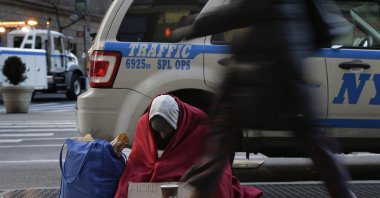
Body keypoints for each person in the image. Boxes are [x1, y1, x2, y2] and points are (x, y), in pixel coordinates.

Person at [173, 0, 357, 198]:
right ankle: (342, 192)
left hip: (253, 73)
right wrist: (297, 48)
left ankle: (196, 191)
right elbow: (323, 28)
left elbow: (237, 12)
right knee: (314, 140)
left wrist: (193, 26)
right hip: (290, 72)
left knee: (219, 138)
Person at [114, 94, 263, 198]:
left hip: (190, 183)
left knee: (215, 185)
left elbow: (215, 164)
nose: (162, 136)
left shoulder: (199, 124)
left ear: (179, 122)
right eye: (157, 132)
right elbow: (138, 164)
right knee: (129, 190)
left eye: (167, 131)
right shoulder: (144, 125)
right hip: (165, 188)